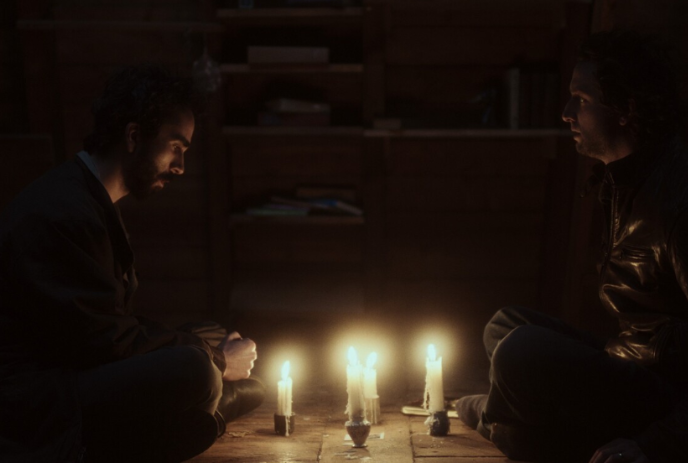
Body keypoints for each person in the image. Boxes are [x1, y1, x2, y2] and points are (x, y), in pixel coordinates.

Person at [0, 64, 265, 463]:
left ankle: (198, 415)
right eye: (175, 147)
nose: (180, 166)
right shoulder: (64, 210)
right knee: (195, 369)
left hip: (80, 366)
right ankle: (184, 421)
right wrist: (217, 359)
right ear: (134, 136)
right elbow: (103, 343)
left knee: (205, 340)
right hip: (40, 400)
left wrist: (202, 345)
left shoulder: (91, 199)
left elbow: (107, 324)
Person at [455, 30, 687, 463]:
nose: (566, 113)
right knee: (504, 325)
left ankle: (501, 424)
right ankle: (516, 425)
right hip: (630, 359)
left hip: (663, 395)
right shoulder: (625, 180)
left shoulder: (677, 199)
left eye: (580, 99)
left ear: (626, 108)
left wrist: (657, 444)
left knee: (521, 352)